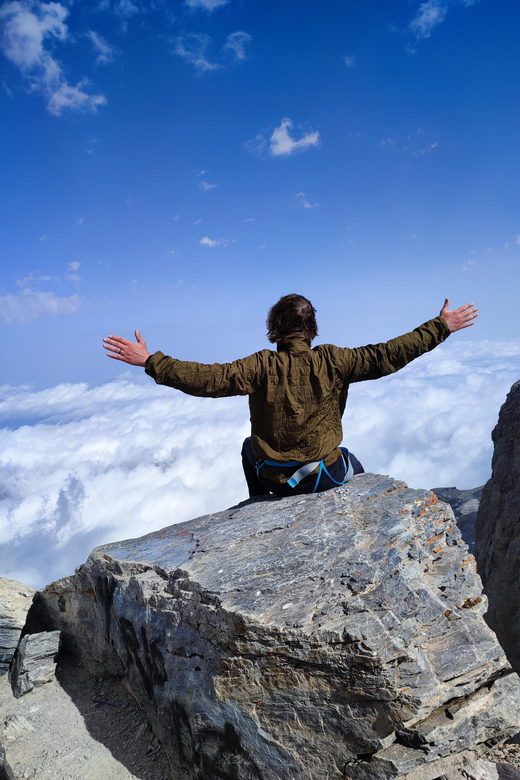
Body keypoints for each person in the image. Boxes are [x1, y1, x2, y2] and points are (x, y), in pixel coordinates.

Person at [103, 295, 477, 498]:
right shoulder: (335, 360)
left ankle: (260, 500)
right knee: (353, 462)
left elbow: (207, 379)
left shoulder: (260, 366)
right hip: (325, 476)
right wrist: (441, 327)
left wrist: (152, 361)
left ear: (275, 329)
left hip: (275, 479)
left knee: (251, 447)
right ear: (311, 328)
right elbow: (390, 353)